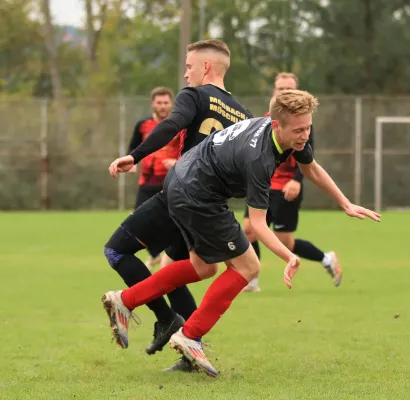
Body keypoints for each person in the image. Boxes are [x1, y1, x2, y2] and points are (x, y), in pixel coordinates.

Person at [101, 89, 381, 377]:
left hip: (181, 183)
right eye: (299, 130)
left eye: (308, 127)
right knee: (248, 266)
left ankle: (126, 300)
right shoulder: (259, 157)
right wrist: (288, 256)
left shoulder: (288, 135)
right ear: (275, 124)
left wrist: (345, 203)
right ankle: (190, 336)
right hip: (198, 194)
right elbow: (257, 225)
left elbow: (312, 169)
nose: (305, 135)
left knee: (204, 266)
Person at [103, 39, 253, 360]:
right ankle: (187, 344)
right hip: (211, 206)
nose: (186, 75)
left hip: (182, 194)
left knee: (116, 251)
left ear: (206, 67)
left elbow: (171, 125)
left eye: (188, 66)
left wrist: (136, 155)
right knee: (183, 268)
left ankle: (163, 317)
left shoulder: (195, 95)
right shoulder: (244, 115)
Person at [242, 72, 341, 293]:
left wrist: (297, 180)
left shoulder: (302, 123)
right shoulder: (268, 120)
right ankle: (252, 279)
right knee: (248, 229)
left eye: (289, 89)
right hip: (264, 186)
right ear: (274, 92)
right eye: (280, 89)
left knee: (284, 241)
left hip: (287, 188)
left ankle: (326, 258)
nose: (284, 93)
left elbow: (308, 158)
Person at [127, 86, 179, 270]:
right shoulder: (143, 125)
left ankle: (169, 256)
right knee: (137, 220)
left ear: (171, 103)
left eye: (166, 102)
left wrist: (176, 161)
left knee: (172, 221)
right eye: (159, 103)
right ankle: (156, 253)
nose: (163, 106)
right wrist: (131, 162)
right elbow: (133, 147)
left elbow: (190, 152)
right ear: (153, 104)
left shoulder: (178, 125)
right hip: (147, 181)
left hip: (171, 182)